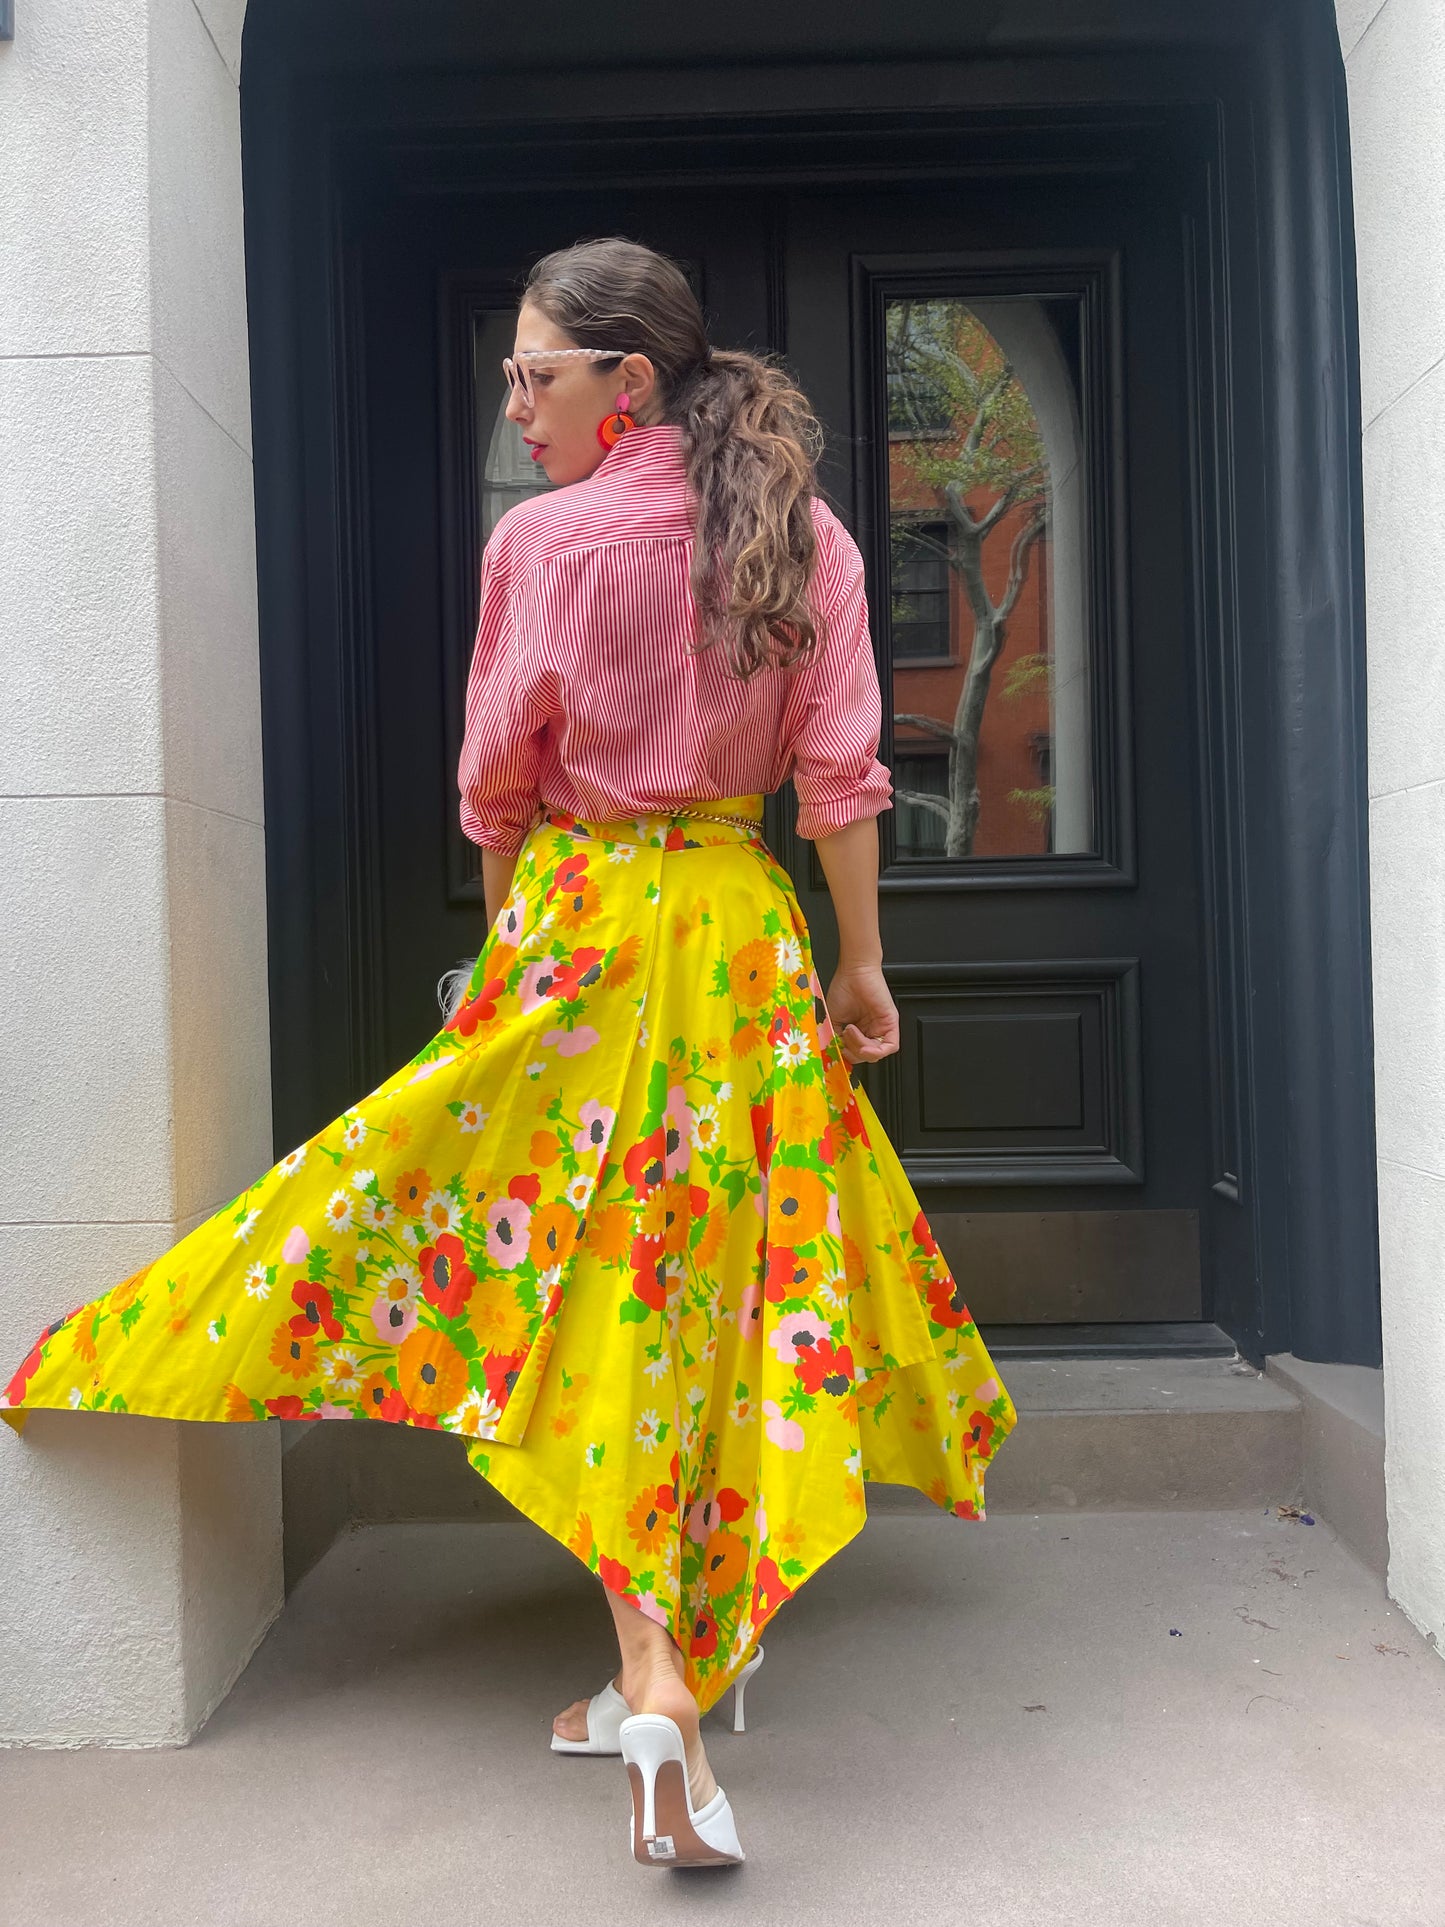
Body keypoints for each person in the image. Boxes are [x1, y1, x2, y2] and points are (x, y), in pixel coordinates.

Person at [2, 237, 1016, 1871]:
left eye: (536, 373)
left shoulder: (542, 544)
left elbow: (499, 788)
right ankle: (663, 1674)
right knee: (712, 1296)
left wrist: (507, 966)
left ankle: (647, 1674)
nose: (513, 398)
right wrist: (863, 968)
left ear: (630, 383)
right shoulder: (809, 534)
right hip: (741, 944)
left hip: (589, 932)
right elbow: (839, 783)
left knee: (568, 1276)